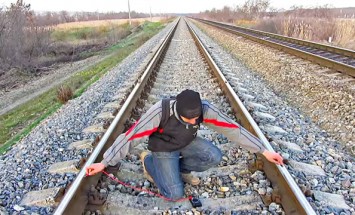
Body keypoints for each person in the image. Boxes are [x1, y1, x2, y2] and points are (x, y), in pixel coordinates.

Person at [86, 89, 283, 200]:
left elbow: (233, 128)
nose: (193, 122)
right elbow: (132, 135)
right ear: (178, 111)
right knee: (174, 194)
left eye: (195, 119)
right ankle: (148, 162)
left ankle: (177, 170)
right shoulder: (159, 112)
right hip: (162, 148)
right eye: (188, 119)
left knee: (214, 156)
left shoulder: (204, 109)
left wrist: (263, 150)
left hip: (185, 143)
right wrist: (105, 162)